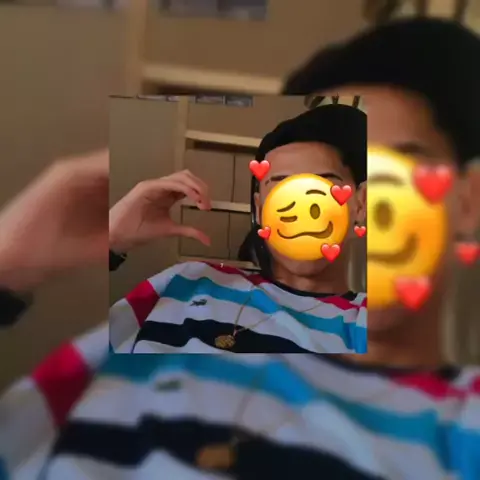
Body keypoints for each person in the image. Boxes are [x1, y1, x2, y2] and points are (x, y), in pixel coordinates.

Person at [1, 17, 479, 480]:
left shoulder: (463, 422)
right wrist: (8, 264)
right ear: (260, 206)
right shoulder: (186, 288)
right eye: (283, 188)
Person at [109, 103, 367, 355]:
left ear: (361, 203)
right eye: (280, 188)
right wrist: (111, 239)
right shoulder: (185, 281)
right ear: (260, 209)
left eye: (321, 185)